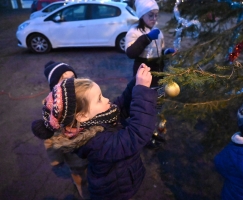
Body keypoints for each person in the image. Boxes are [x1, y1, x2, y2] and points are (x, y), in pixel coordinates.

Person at [32, 63, 157, 200]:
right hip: (115, 192)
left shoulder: (96, 117)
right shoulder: (96, 142)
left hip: (125, 179)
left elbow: (120, 106)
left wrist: (135, 83)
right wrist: (142, 90)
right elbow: (137, 134)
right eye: (99, 99)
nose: (107, 100)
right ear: (82, 116)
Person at [42, 61, 90, 199]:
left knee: (92, 171)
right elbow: (49, 136)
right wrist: (55, 158)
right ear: (55, 87)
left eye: (73, 78)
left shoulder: (83, 98)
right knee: (79, 174)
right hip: (72, 154)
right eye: (65, 80)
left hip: (90, 148)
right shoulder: (52, 110)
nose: (71, 82)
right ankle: (82, 191)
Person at [125, 0, 175, 88]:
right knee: (144, 96)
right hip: (143, 73)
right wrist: (146, 38)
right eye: (151, 15)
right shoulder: (134, 32)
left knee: (157, 95)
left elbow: (158, 50)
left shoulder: (157, 31)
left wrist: (165, 52)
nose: (154, 18)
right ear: (142, 15)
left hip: (158, 72)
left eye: (156, 15)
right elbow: (131, 53)